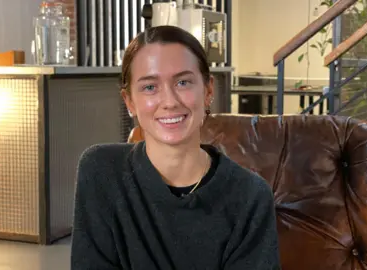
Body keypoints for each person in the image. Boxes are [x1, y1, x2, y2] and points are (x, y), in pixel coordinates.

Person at [70, 25, 281, 270]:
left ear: (208, 91)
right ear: (130, 102)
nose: (169, 102)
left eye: (183, 82)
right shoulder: (101, 171)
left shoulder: (250, 196)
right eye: (150, 87)